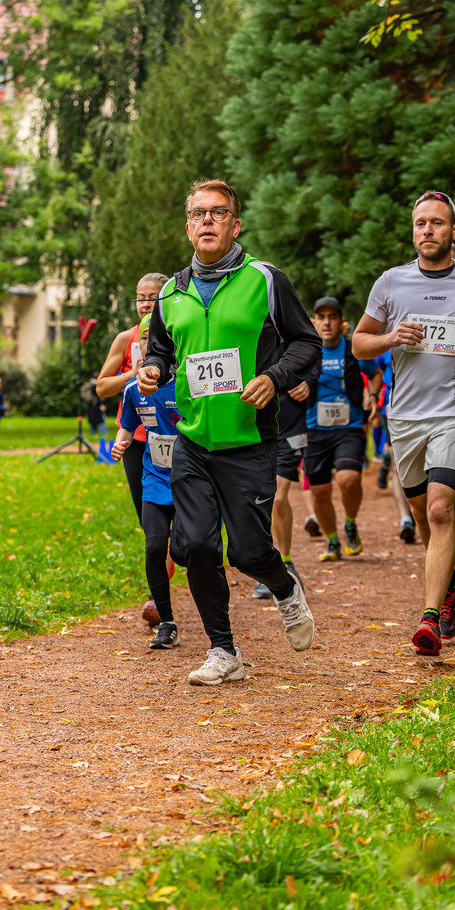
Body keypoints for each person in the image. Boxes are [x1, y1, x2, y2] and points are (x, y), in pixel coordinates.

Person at [138, 179, 321, 685]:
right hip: (193, 441)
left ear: (235, 225)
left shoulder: (265, 280)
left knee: (246, 552)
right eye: (199, 213)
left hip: (249, 441)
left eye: (218, 213)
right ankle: (223, 651)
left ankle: (285, 588)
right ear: (188, 227)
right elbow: (161, 350)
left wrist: (274, 378)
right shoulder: (171, 293)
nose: (208, 221)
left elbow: (306, 343)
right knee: (196, 545)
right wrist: (153, 369)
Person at [352, 190, 455, 656]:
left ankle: (429, 618)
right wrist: (389, 338)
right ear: (413, 231)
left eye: (437, 223)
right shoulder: (391, 282)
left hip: (453, 412)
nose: (428, 230)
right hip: (405, 415)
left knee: (442, 509)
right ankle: (452, 585)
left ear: (453, 231)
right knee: (423, 514)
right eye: (421, 223)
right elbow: (359, 342)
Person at [112, 314, 181, 649]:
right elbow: (126, 424)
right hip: (155, 477)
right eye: (142, 339)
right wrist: (120, 442)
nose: (147, 344)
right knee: (154, 547)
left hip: (190, 480)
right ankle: (166, 623)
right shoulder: (132, 391)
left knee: (188, 550)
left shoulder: (187, 386)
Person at [97, 273, 169, 525]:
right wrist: (131, 374)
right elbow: (102, 387)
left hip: (175, 433)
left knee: (182, 510)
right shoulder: (126, 338)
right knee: (147, 515)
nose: (146, 304)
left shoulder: (180, 333)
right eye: (140, 298)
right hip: (135, 437)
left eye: (153, 297)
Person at [304, 297, 369, 562]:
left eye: (332, 317)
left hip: (349, 427)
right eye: (321, 317)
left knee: (349, 479)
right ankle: (332, 541)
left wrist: (372, 395)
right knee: (319, 492)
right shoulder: (306, 350)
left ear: (341, 322)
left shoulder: (354, 348)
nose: (327, 322)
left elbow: (374, 371)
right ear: (314, 322)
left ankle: (350, 523)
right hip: (314, 429)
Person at [253, 352, 321, 600]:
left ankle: (286, 562)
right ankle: (267, 565)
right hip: (257, 430)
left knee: (279, 499)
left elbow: (315, 357)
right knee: (259, 501)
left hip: (291, 431)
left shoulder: (297, 341)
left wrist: (309, 382)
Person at [370, 350, 416, 543]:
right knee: (398, 466)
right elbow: (377, 372)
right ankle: (406, 519)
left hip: (422, 409)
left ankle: (420, 511)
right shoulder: (386, 347)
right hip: (390, 411)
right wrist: (373, 396)